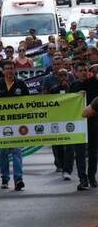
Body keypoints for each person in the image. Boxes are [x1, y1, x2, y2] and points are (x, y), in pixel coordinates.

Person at [0, 60, 29, 190]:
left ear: (14, 69)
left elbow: (29, 102)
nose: (9, 71)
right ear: (2, 70)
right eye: (6, 68)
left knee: (17, 151)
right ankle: (5, 178)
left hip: (17, 123)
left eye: (11, 68)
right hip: (1, 123)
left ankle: (18, 179)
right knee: (3, 152)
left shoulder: (21, 84)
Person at [49, 69, 75, 180]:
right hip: (57, 120)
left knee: (69, 146)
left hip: (70, 120)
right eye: (61, 75)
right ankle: (60, 164)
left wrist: (67, 87)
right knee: (58, 145)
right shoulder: (53, 89)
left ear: (68, 76)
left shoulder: (73, 88)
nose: (63, 77)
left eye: (65, 75)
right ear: (57, 77)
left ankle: (67, 169)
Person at [70, 62, 90, 190]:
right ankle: (83, 179)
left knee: (93, 153)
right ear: (75, 73)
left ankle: (92, 176)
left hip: (93, 122)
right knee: (80, 153)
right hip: (79, 125)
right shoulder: (73, 85)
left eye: (85, 70)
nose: (83, 72)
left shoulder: (93, 83)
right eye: (80, 70)